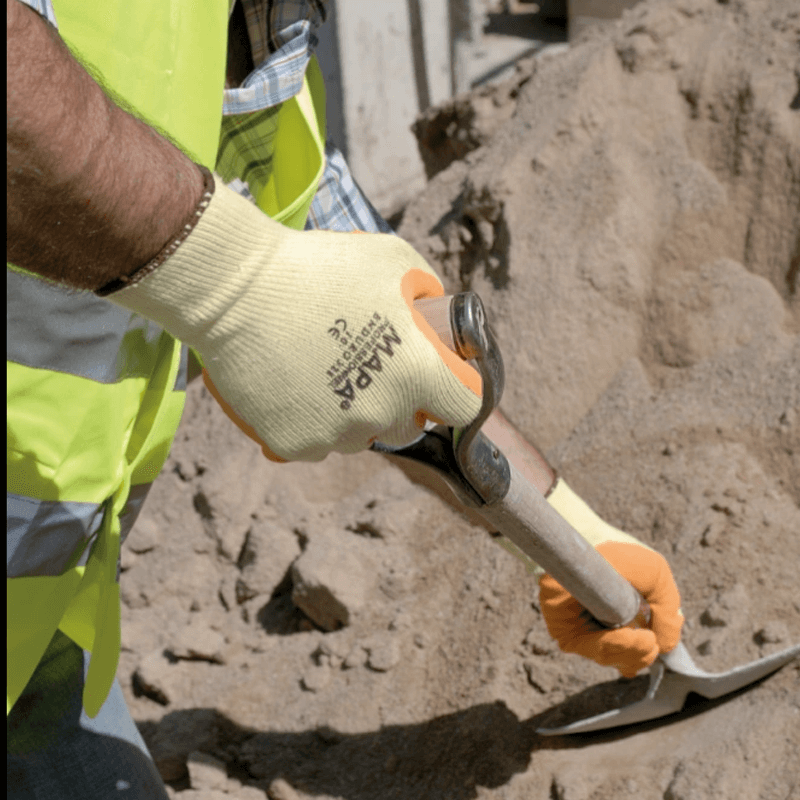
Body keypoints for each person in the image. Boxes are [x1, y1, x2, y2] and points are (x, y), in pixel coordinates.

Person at [7, 1, 683, 796]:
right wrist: (232, 282)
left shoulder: (258, 33)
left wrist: (562, 526)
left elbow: (352, 304)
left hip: (43, 615)